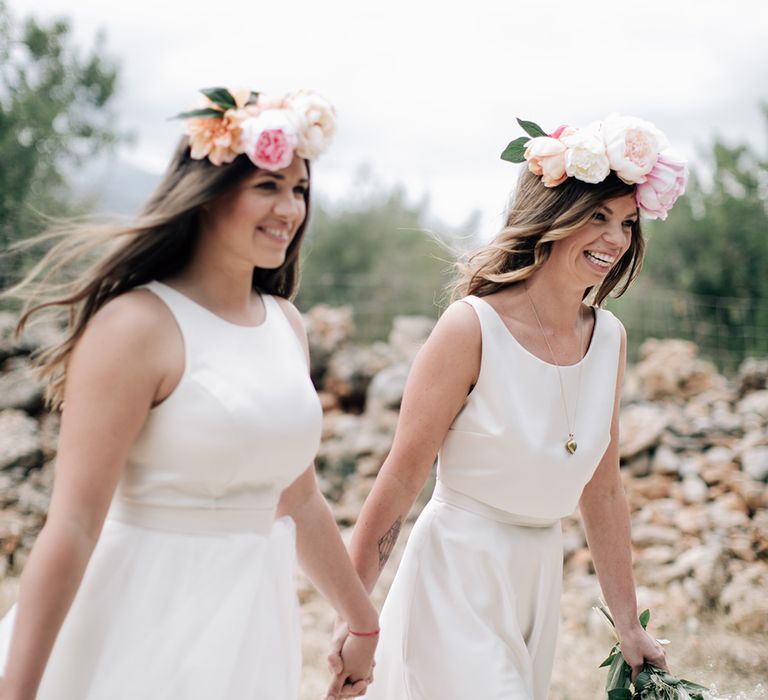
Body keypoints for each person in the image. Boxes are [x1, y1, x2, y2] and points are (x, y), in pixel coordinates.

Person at [0, 87, 377, 700]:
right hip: (137, 622)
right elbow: (71, 526)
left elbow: (298, 495)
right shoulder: (136, 327)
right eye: (267, 186)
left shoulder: (286, 325)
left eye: (300, 189)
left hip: (248, 628)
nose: (290, 208)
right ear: (207, 196)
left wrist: (362, 620)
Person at [327, 115, 688, 699]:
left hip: (537, 577)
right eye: (596, 216)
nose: (616, 239)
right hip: (457, 573)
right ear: (552, 216)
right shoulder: (471, 327)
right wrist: (355, 614)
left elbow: (603, 490)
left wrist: (628, 624)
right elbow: (399, 479)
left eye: (626, 222)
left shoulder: (611, 338)